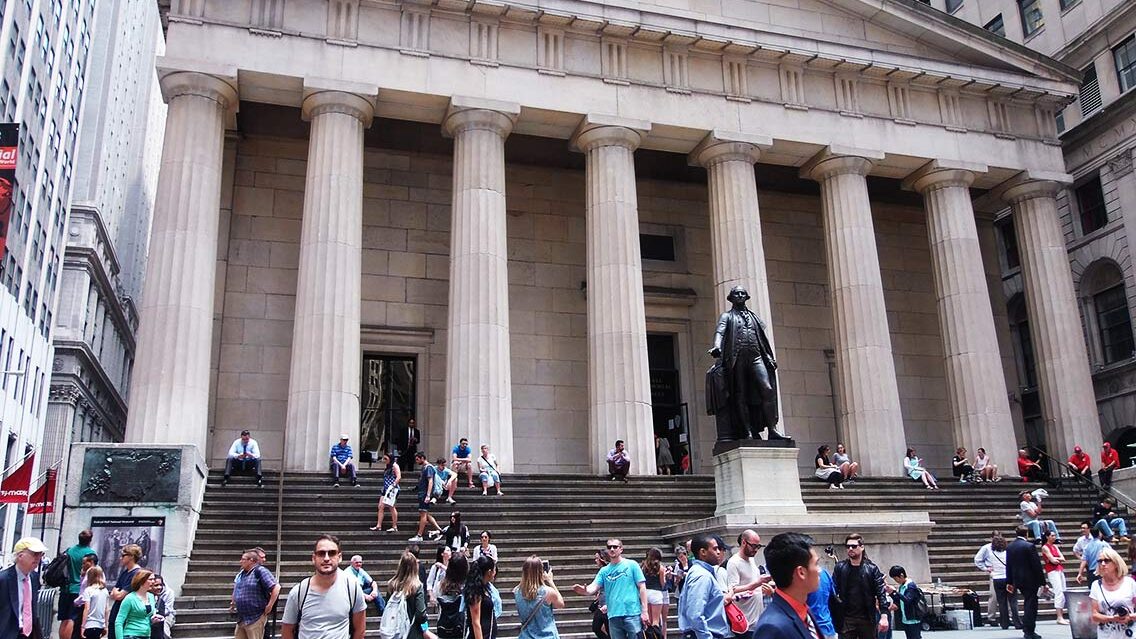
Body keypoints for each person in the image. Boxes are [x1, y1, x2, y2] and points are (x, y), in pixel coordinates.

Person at [280, 534, 366, 639]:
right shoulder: (298, 592)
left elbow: (360, 630)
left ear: (339, 557)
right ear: (313, 558)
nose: (326, 558)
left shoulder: (352, 589)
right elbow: (287, 630)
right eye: (321, 553)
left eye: (331, 553)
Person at [573, 538, 649, 639]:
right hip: (613, 615)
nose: (612, 549)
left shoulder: (632, 565)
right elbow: (593, 587)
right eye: (609, 547)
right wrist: (584, 590)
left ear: (621, 549)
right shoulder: (604, 571)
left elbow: (642, 587)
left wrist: (645, 611)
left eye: (615, 547)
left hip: (632, 613)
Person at [752, 532, 821, 639]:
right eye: (816, 564)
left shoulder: (804, 609)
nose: (819, 570)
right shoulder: (771, 628)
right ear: (801, 572)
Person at [833, 533, 889, 639]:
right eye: (848, 546)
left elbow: (881, 594)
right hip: (846, 619)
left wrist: (884, 616)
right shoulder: (840, 568)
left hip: (867, 619)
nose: (850, 549)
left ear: (862, 547)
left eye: (854, 546)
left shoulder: (872, 569)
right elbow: (833, 591)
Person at [676, 534, 730, 639]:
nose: (718, 552)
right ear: (703, 552)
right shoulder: (701, 575)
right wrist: (706, 637)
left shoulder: (701, 572)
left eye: (719, 548)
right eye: (715, 549)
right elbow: (695, 614)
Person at [726, 530, 774, 639]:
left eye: (758, 546)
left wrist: (765, 585)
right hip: (745, 622)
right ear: (743, 542)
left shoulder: (751, 560)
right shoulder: (734, 562)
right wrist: (757, 583)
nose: (756, 550)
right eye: (753, 546)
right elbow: (733, 589)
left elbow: (752, 584)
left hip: (758, 619)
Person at [0, 537, 46, 639]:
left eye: (41, 554)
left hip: (29, 634)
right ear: (20, 555)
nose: (38, 558)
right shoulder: (3, 579)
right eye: (35, 553)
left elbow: (31, 608)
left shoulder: (34, 578)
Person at [1005, 525, 1044, 639]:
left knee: (1028, 603)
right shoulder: (1029, 546)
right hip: (1030, 580)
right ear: (1026, 534)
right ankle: (1029, 630)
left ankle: (1027, 629)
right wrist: (1042, 582)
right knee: (1031, 605)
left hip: (1017, 579)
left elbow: (1009, 565)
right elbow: (1036, 565)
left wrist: (1009, 581)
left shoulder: (1010, 546)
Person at [230, 549, 280, 639]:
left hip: (255, 617)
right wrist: (233, 602)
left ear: (251, 560)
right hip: (242, 618)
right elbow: (237, 588)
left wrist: (270, 605)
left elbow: (276, 588)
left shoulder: (260, 571)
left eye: (243, 559)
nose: (240, 561)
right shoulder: (242, 574)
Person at [974, 533, 1020, 630]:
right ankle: (1017, 622)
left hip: (997, 578)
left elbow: (979, 560)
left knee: (1001, 601)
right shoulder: (1009, 552)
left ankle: (1004, 623)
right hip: (1009, 578)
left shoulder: (991, 553)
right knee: (1013, 601)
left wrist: (987, 568)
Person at [514, 555, 566, 639]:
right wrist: (550, 581)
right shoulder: (548, 592)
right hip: (548, 636)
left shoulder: (516, 592)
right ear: (540, 572)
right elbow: (561, 604)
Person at [1090, 547, 1136, 639]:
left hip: (1128, 634)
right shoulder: (1096, 585)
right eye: (1100, 561)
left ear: (1115, 563)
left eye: (1107, 561)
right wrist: (1112, 618)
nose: (1102, 564)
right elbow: (1094, 615)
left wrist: (1129, 617)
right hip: (1106, 635)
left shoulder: (1129, 583)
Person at [385, 551, 430, 639]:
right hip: (413, 632)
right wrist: (425, 627)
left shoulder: (392, 585)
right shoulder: (417, 586)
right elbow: (421, 613)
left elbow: (387, 606)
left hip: (394, 631)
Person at [59, 528, 95, 639]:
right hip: (79, 590)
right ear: (90, 540)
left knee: (64, 619)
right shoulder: (90, 554)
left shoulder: (69, 551)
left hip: (65, 588)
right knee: (72, 618)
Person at [408, 451, 443, 543]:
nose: (416, 461)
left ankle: (419, 535)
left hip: (425, 494)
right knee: (425, 514)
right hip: (422, 493)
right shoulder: (424, 468)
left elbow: (430, 481)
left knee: (423, 513)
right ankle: (440, 530)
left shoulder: (428, 468)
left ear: (422, 458)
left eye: (417, 459)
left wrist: (428, 495)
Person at [109, 544, 143, 639]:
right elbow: (113, 593)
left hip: (127, 617)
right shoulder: (125, 572)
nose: (120, 558)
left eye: (123, 555)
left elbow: (120, 595)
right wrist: (117, 593)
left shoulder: (136, 573)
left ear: (131, 556)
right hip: (117, 612)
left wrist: (117, 593)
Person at [465, 555, 500, 639]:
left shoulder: (485, 588)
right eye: (494, 570)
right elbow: (476, 622)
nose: (495, 573)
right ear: (489, 572)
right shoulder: (476, 592)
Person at [113, 570, 155, 639]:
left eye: (154, 579)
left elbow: (148, 617)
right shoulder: (130, 598)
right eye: (150, 579)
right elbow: (119, 622)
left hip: (146, 635)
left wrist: (154, 619)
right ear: (142, 580)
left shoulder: (151, 597)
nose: (153, 582)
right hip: (131, 635)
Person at [435, 553, 468, 639]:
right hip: (461, 627)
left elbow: (436, 598)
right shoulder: (467, 587)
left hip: (443, 626)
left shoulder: (440, 585)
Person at [1040, 531, 1069, 625]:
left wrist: (1057, 559)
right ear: (1047, 537)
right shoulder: (1045, 547)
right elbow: (1053, 560)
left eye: (1054, 535)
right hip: (1052, 571)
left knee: (1063, 590)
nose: (1054, 537)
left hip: (1059, 569)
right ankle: (1059, 616)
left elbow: (1062, 558)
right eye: (1052, 535)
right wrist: (1056, 559)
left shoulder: (1055, 546)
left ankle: (1048, 592)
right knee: (1059, 591)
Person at [886, 566, 922, 639]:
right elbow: (899, 600)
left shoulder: (911, 586)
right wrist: (891, 593)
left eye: (896, 579)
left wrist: (895, 592)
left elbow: (907, 600)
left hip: (913, 619)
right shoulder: (902, 586)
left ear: (901, 575)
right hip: (906, 618)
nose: (896, 581)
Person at [641, 548, 668, 639]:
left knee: (648, 620)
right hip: (656, 593)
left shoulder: (644, 566)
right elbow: (662, 584)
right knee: (656, 621)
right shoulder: (661, 568)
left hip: (646, 593)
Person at [806, 562, 837, 639]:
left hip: (813, 630)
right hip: (829, 628)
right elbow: (833, 597)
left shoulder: (803, 580)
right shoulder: (825, 574)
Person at [371, 452, 401, 532]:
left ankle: (394, 526)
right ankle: (378, 525)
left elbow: (398, 476)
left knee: (391, 506)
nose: (384, 460)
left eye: (386, 459)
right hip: (385, 489)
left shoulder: (395, 465)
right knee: (381, 506)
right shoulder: (388, 466)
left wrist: (394, 485)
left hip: (392, 489)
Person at [80, 566, 109, 639]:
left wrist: (83, 626)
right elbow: (106, 609)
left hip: (89, 624)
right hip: (100, 625)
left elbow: (87, 608)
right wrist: (106, 626)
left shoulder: (88, 590)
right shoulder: (105, 591)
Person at [150, 574, 175, 639]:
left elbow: (168, 609)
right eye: (156, 585)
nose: (159, 587)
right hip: (151, 615)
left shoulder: (169, 593)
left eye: (160, 585)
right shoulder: (148, 593)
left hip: (167, 615)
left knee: (164, 628)